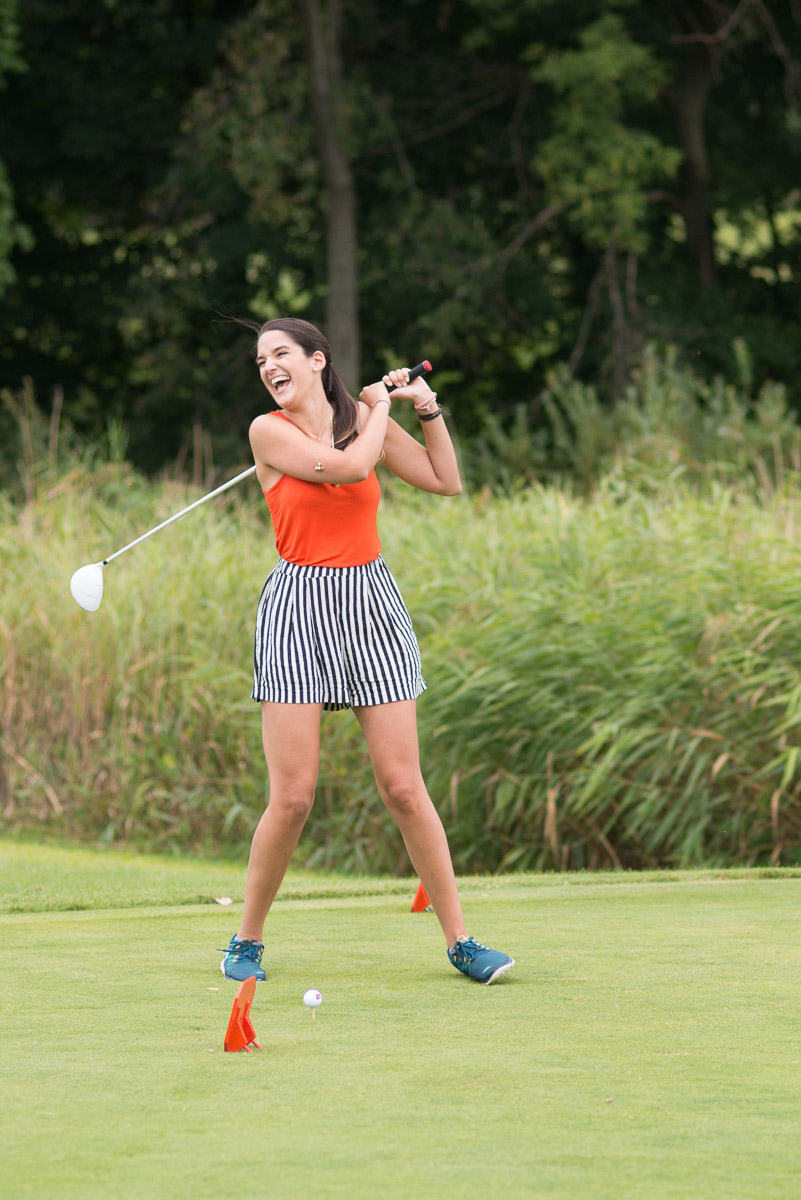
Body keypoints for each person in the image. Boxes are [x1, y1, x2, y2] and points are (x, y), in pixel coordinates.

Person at [219, 317, 514, 985]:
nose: (269, 367)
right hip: (297, 607)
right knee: (294, 797)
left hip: (370, 601)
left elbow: (444, 479)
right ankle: (246, 939)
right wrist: (378, 408)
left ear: (317, 360)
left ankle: (462, 942)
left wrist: (425, 408)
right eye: (261, 360)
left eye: (281, 353)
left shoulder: (363, 421)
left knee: (404, 787)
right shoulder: (269, 431)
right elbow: (351, 467)